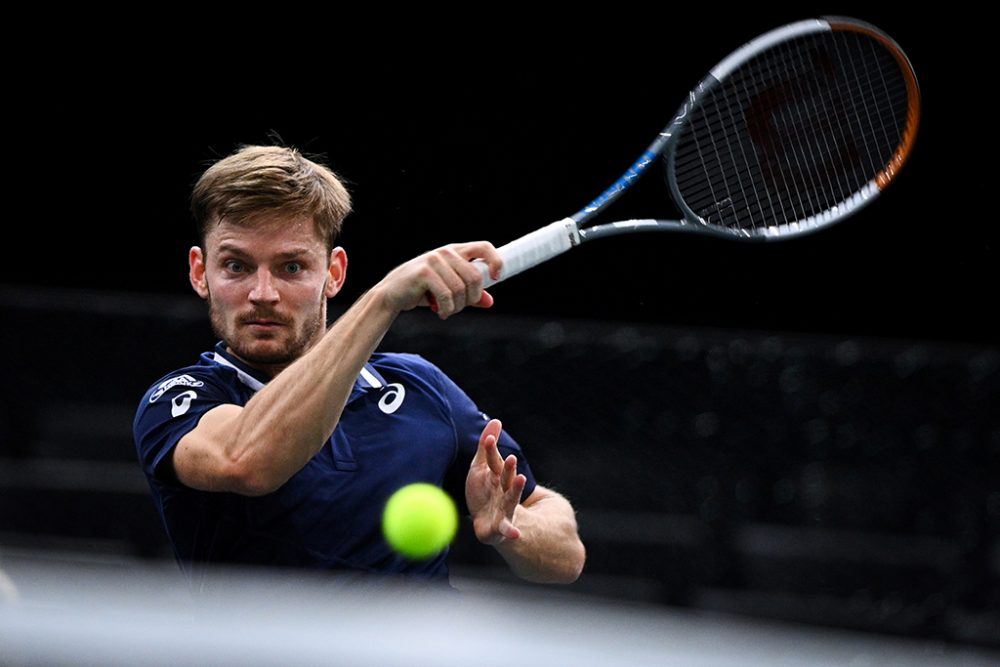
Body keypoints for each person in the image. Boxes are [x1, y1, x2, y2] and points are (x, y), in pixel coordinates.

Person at [133, 145, 585, 587]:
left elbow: (566, 555)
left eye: (292, 267)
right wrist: (382, 299)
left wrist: (511, 529)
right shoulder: (179, 400)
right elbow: (247, 461)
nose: (264, 293)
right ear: (200, 272)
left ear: (333, 273)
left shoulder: (420, 387)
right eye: (236, 266)